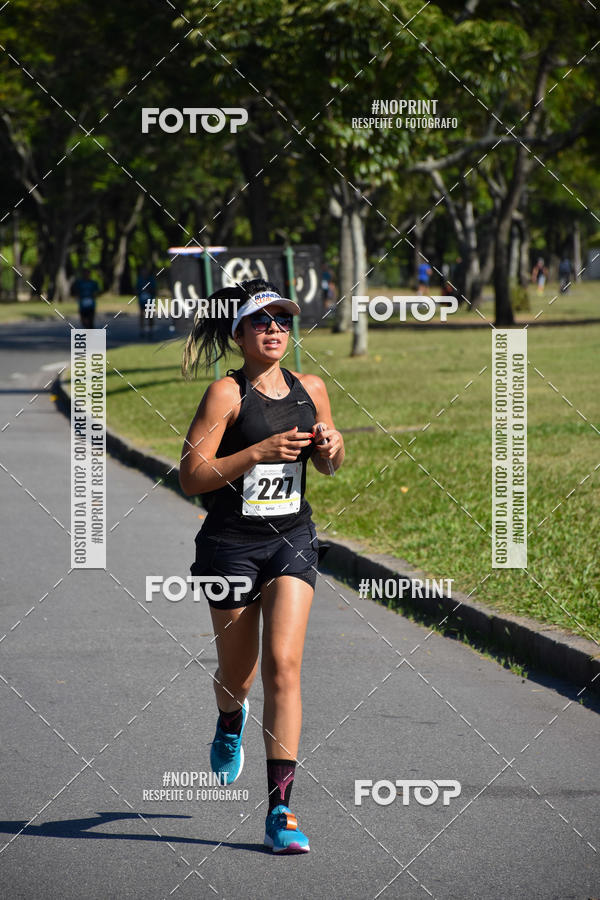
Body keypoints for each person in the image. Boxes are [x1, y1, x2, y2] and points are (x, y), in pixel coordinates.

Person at [179, 278, 344, 854]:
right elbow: (191, 477)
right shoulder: (226, 394)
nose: (274, 329)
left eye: (282, 320)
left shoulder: (312, 387)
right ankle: (230, 719)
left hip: (291, 538)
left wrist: (331, 445)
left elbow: (331, 467)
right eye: (261, 321)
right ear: (239, 333)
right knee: (239, 675)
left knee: (284, 665)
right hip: (230, 544)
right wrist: (255, 454)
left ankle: (281, 812)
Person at [137, 269, 157, 336]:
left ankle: (150, 330)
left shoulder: (151, 280)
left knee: (150, 315)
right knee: (142, 315)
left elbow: (154, 290)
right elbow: (137, 289)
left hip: (150, 300)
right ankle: (142, 330)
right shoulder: (140, 280)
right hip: (142, 300)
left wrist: (149, 290)